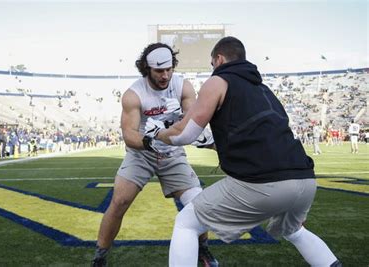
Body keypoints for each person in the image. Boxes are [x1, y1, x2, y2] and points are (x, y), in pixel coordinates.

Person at [145, 37, 341, 266]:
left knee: (186, 222)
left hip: (263, 181)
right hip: (304, 180)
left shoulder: (218, 81)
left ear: (219, 59)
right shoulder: (264, 89)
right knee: (294, 231)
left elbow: (183, 135)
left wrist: (155, 133)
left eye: (211, 64)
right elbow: (257, 136)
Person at [91, 43, 217, 267]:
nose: (165, 75)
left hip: (172, 153)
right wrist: (151, 141)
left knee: (197, 202)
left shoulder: (183, 86)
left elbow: (193, 121)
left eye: (169, 69)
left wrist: (190, 129)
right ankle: (100, 256)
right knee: (119, 201)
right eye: (159, 71)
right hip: (142, 153)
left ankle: (203, 250)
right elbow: (129, 135)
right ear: (146, 69)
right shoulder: (134, 93)